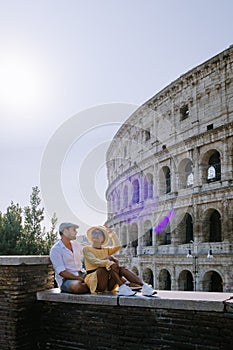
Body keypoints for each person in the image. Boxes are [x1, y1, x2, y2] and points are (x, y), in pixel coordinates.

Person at [83, 225, 157, 296]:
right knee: (107, 263)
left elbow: (118, 246)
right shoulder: (86, 249)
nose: (96, 235)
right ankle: (122, 286)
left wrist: (112, 234)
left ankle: (144, 286)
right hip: (95, 282)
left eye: (99, 233)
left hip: (108, 283)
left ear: (103, 238)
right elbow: (94, 261)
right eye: (93, 233)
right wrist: (109, 262)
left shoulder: (105, 250)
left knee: (122, 269)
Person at [50, 222, 89, 294]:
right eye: (74, 230)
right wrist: (79, 279)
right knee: (77, 286)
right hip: (66, 280)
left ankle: (91, 286)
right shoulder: (56, 249)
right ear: (65, 231)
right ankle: (92, 287)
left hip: (81, 274)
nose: (76, 232)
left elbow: (89, 252)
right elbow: (62, 272)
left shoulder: (76, 245)